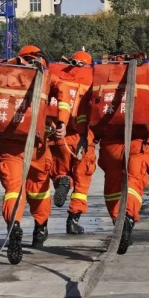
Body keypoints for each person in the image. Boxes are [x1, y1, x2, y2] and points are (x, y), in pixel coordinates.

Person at [0, 45, 71, 264]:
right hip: (37, 145)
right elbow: (63, 91)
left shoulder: (6, 73)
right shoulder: (46, 75)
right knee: (39, 190)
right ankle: (40, 227)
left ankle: (14, 224)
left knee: (13, 189)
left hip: (9, 145)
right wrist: (62, 121)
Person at [97, 56, 149, 254]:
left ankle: (118, 222)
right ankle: (128, 218)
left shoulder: (107, 84)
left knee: (113, 186)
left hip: (110, 145)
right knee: (134, 183)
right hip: (138, 144)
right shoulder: (146, 84)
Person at [48, 51, 97, 234]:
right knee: (82, 180)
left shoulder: (59, 76)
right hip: (84, 137)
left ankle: (63, 180)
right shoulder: (92, 79)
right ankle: (73, 220)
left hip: (59, 135)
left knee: (60, 170)